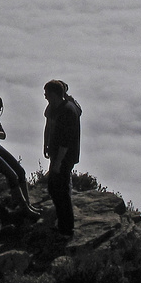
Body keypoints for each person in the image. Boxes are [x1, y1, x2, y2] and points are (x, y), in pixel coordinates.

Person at [42, 79, 82, 235]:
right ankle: (62, 222)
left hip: (65, 156)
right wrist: (46, 144)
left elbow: (65, 142)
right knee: (54, 187)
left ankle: (66, 229)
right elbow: (49, 126)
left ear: (54, 94)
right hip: (57, 154)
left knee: (61, 191)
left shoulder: (68, 111)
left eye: (46, 94)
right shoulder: (55, 107)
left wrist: (58, 163)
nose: (45, 97)